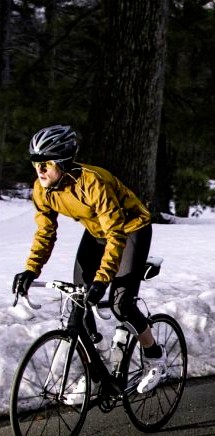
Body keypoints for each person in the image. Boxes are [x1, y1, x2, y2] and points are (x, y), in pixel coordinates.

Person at [12, 124, 166, 398]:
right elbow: (45, 232)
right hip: (96, 233)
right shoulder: (42, 189)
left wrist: (102, 279)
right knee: (77, 303)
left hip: (130, 230)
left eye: (45, 163)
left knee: (121, 304)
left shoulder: (93, 182)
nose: (40, 169)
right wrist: (30, 270)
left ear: (62, 162)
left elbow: (116, 234)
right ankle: (96, 372)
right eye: (36, 163)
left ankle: (155, 357)